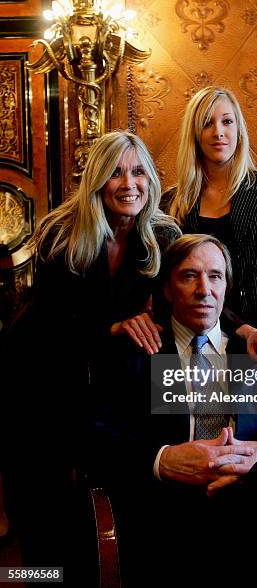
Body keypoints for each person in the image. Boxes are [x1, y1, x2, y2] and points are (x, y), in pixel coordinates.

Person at [92, 234, 257, 588]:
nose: (204, 289)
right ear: (168, 289)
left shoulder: (255, 352)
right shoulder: (139, 350)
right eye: (189, 276)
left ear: (226, 286)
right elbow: (93, 434)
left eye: (215, 276)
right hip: (171, 512)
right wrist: (163, 459)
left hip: (256, 503)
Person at [3, 130, 180, 584]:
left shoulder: (162, 233)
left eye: (138, 171)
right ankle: (41, 577)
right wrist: (112, 327)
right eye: (116, 173)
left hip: (108, 381)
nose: (129, 183)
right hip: (41, 374)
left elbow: (197, 294)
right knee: (39, 493)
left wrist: (243, 328)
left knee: (109, 492)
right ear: (98, 181)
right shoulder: (62, 232)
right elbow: (50, 322)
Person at [162, 86, 257, 361]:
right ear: (195, 134)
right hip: (194, 340)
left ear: (239, 129)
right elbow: (167, 282)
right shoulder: (171, 202)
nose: (219, 132)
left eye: (227, 121)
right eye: (207, 123)